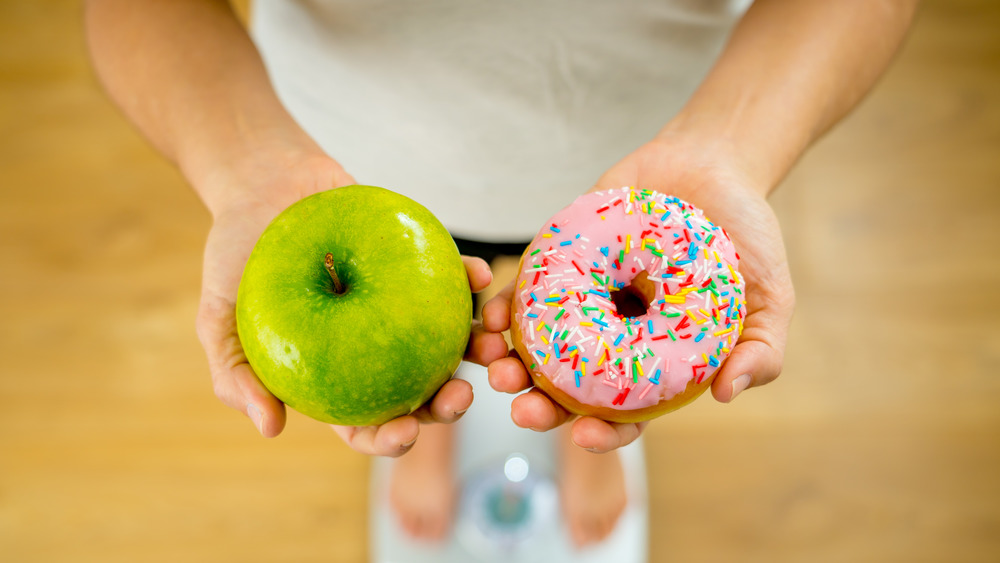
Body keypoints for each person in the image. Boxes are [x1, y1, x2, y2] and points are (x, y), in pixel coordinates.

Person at [84, 0, 917, 548]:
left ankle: (589, 434)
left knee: (606, 372)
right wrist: (244, 167)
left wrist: (731, 149)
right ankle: (429, 434)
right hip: (349, 176)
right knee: (429, 347)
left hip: (663, 155)